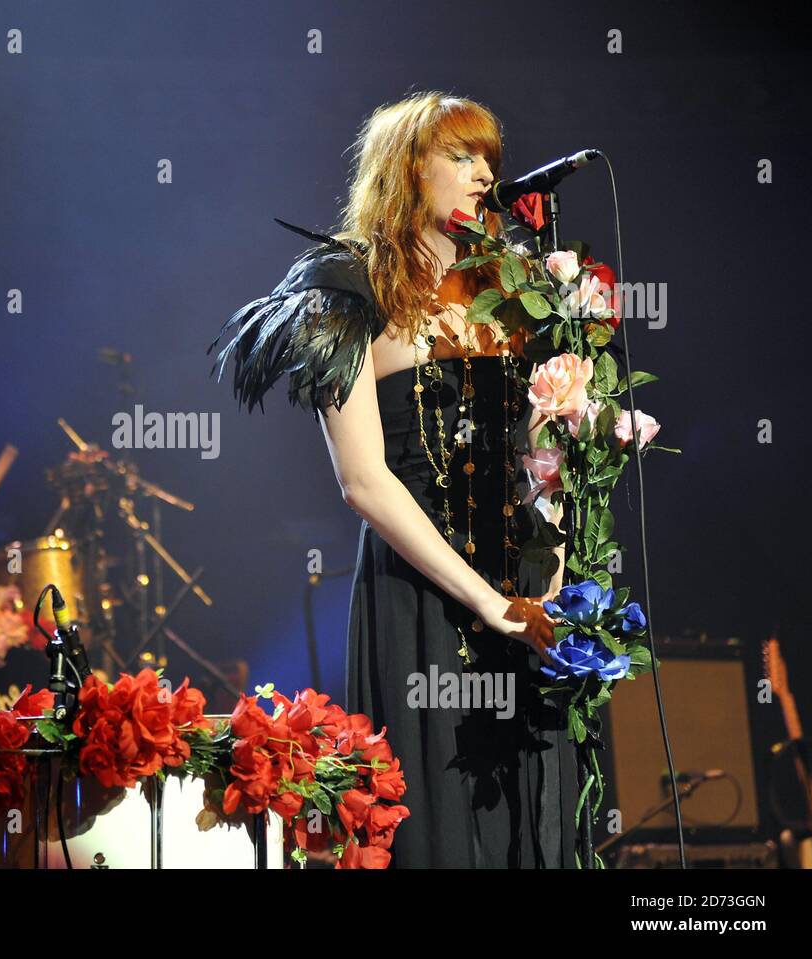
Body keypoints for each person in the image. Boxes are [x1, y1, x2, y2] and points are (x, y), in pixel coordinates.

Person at [210, 91, 578, 867]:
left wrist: (556, 576)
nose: (485, 174)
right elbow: (364, 480)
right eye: (462, 156)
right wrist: (484, 599)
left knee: (535, 821)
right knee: (441, 828)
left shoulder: (515, 290)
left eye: (490, 159)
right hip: (424, 595)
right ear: (409, 168)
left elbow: (549, 451)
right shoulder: (347, 289)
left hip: (529, 594)